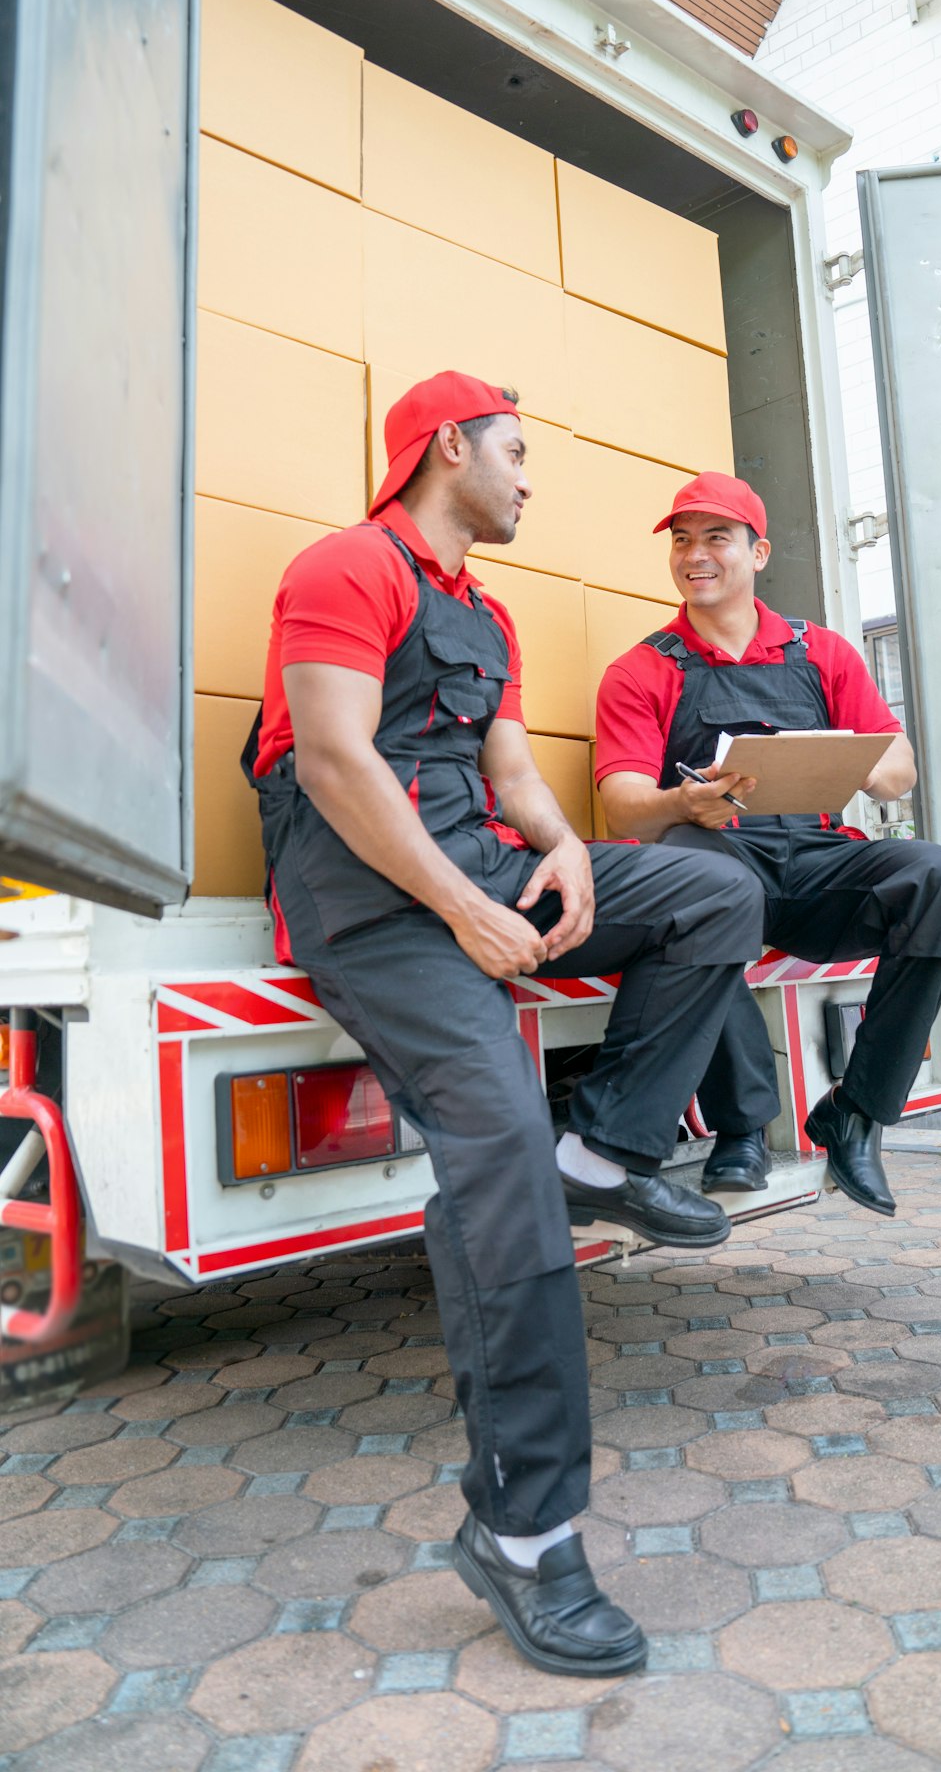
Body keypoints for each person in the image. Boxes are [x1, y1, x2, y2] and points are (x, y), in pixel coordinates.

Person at [243, 378, 767, 1678]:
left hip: (478, 867)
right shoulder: (344, 566)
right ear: (448, 448)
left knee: (714, 888)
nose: (530, 480)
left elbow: (513, 769)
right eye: (517, 455)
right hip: (373, 912)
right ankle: (526, 1538)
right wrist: (468, 909)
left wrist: (563, 857)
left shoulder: (486, 608)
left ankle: (610, 1153)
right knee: (500, 1179)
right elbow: (331, 758)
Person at [595, 471, 941, 1216]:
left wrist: (832, 756)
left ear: (758, 551)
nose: (694, 555)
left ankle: (858, 1113)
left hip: (815, 866)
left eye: (716, 538)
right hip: (717, 863)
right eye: (682, 541)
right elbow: (621, 807)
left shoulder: (824, 653)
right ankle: (742, 1127)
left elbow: (897, 773)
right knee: (693, 871)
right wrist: (685, 800)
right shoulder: (643, 669)